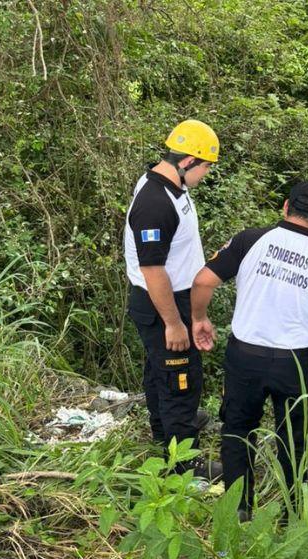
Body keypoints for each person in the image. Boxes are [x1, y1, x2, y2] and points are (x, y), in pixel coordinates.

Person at [190, 181, 308, 518]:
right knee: (297, 440)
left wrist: (199, 319)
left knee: (237, 430)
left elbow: (203, 281)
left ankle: (238, 511)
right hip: (295, 364)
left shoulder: (249, 240)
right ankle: (293, 514)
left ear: (285, 207)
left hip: (245, 355)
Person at [123, 119, 222, 479]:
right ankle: (184, 463)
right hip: (161, 303)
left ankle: (166, 432)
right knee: (181, 377)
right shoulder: (154, 202)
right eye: (207, 166)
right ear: (189, 161)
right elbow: (153, 271)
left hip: (174, 298)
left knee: (160, 371)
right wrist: (174, 323)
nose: (207, 173)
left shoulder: (171, 186)